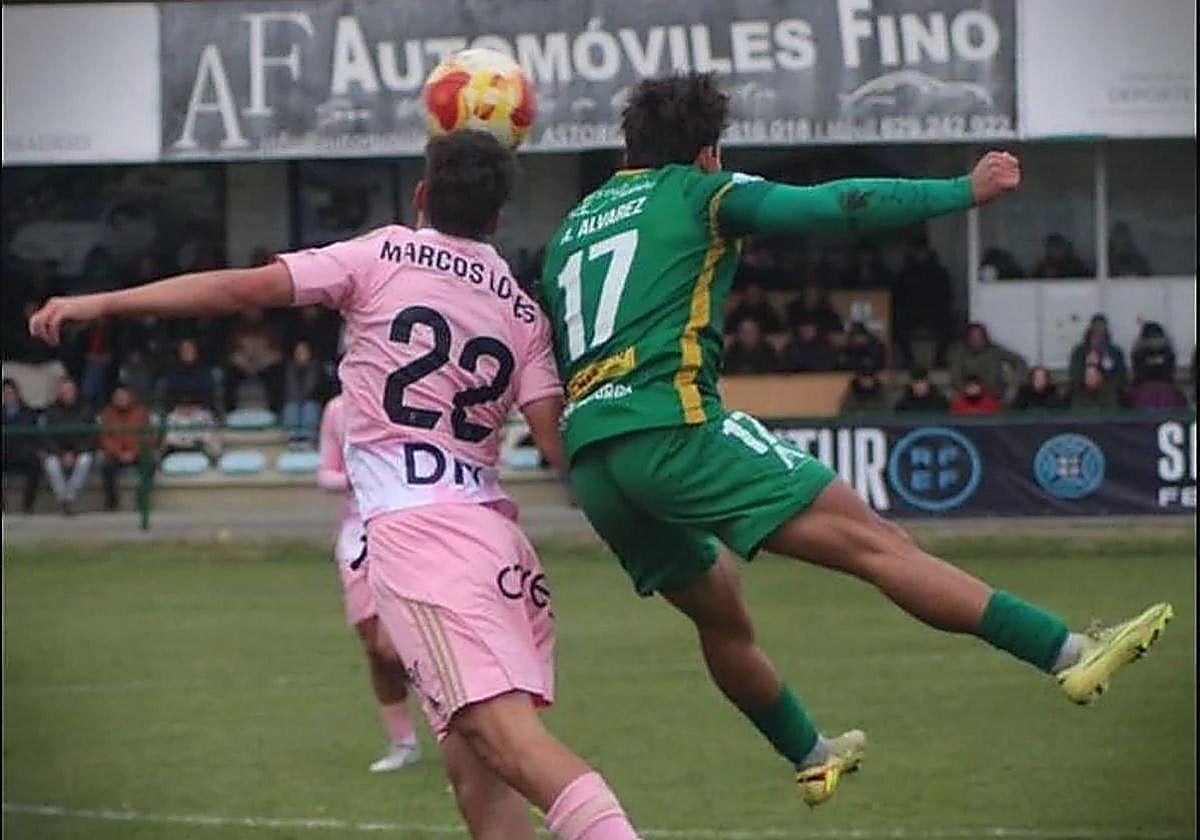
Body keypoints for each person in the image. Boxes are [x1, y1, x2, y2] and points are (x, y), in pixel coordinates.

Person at [536, 72, 1170, 809]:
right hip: (671, 427)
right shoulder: (700, 191)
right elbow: (835, 206)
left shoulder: (572, 226)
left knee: (723, 616)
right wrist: (961, 191)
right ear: (706, 151)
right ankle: (1068, 652)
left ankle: (811, 753)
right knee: (881, 546)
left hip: (596, 463)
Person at [31, 130, 642, 840]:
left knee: (510, 746)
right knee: (478, 771)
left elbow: (237, 290)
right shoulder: (522, 310)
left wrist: (103, 303)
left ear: (421, 195)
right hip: (497, 541)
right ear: (499, 219)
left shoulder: (379, 255)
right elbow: (554, 445)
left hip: (424, 539)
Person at [317, 393, 421, 773]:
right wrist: (349, 478)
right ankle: (403, 742)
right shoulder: (338, 409)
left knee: (393, 646)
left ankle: (457, 717)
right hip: (356, 537)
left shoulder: (405, 399)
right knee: (374, 647)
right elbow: (324, 472)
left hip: (406, 530)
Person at [893, 232, 953, 369]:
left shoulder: (940, 272)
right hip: (912, 313)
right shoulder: (905, 273)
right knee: (898, 322)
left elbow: (947, 295)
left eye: (922, 251)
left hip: (934, 312)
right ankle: (908, 360)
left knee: (948, 322)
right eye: (917, 251)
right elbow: (898, 296)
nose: (920, 254)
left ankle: (939, 359)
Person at [40, 376, 96, 516]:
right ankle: (63, 499)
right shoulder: (50, 411)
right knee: (50, 463)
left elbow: (90, 437)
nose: (67, 394)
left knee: (85, 460)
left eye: (70, 391)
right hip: (57, 451)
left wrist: (74, 454)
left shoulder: (86, 409)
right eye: (64, 391)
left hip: (79, 451)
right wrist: (61, 454)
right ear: (58, 393)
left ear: (75, 391)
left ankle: (68, 498)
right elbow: (46, 438)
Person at [98, 385, 151, 511]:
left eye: (123, 396)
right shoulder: (107, 413)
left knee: (150, 463)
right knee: (106, 466)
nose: (121, 399)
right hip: (116, 454)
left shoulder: (142, 412)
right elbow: (104, 438)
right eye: (118, 396)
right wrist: (119, 453)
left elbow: (148, 436)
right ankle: (112, 501)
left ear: (130, 397)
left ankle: (142, 499)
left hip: (136, 453)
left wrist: (134, 452)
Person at [947, 322, 1027, 404]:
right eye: (973, 336)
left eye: (979, 336)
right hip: (967, 396)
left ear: (985, 337)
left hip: (996, 396)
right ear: (967, 338)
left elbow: (1020, 362)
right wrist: (968, 390)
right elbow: (955, 377)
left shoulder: (995, 351)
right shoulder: (958, 353)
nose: (976, 339)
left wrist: (1014, 384)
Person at [225, 308, 284, 413]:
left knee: (276, 373)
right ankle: (229, 411)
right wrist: (244, 363)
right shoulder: (238, 328)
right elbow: (232, 352)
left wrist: (262, 363)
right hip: (243, 365)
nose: (252, 312)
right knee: (230, 373)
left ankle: (275, 411)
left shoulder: (270, 328)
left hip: (265, 365)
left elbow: (277, 353)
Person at [2, 378, 42, 513]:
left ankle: (28, 506)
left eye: (11, 393)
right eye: (5, 394)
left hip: (23, 454)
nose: (8, 397)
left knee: (35, 462)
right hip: (5, 455)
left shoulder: (29, 413)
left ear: (17, 394)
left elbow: (34, 438)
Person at [1069, 314, 1128, 391]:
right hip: (1084, 392)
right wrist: (1088, 380)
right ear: (1091, 329)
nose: (1098, 330)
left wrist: (1104, 382)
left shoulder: (1115, 352)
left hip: (1109, 392)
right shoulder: (1079, 351)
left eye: (1101, 327)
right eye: (1096, 326)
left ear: (1106, 330)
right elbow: (1074, 374)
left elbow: (1121, 375)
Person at [282, 341, 324, 444]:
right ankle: (293, 438)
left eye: (304, 352)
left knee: (309, 408)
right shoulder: (289, 368)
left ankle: (307, 439)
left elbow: (313, 388)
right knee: (291, 408)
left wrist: (303, 399)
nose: (301, 355)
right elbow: (290, 388)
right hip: (293, 400)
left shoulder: (316, 367)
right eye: (298, 352)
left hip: (311, 400)